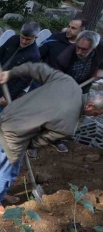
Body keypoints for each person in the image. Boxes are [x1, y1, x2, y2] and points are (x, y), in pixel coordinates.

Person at [0, 63, 103, 215]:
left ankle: (0, 191)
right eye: (97, 113)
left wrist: (10, 73)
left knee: (3, 163)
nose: (97, 116)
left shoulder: (68, 83)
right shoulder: (70, 125)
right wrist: (24, 145)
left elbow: (37, 68)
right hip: (12, 134)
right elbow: (38, 141)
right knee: (9, 170)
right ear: (90, 105)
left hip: (5, 116)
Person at [27, 17, 88, 155]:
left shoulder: (84, 47)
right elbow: (37, 55)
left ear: (82, 32)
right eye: (69, 26)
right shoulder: (55, 39)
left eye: (73, 28)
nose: (69, 29)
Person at [0, 22, 41, 138]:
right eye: (23, 37)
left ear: (35, 38)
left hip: (9, 89)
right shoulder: (14, 39)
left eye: (28, 39)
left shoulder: (34, 55)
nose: (24, 41)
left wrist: (9, 96)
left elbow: (24, 80)